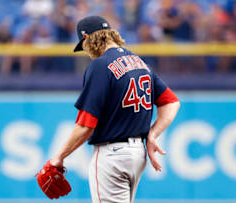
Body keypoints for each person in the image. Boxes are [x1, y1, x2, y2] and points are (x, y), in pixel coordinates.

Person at [49, 16, 180, 203]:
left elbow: (86, 124)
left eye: (83, 45)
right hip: (137, 155)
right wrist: (153, 134)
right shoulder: (139, 62)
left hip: (111, 156)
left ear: (87, 38)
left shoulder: (100, 65)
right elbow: (171, 102)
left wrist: (58, 157)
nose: (85, 51)